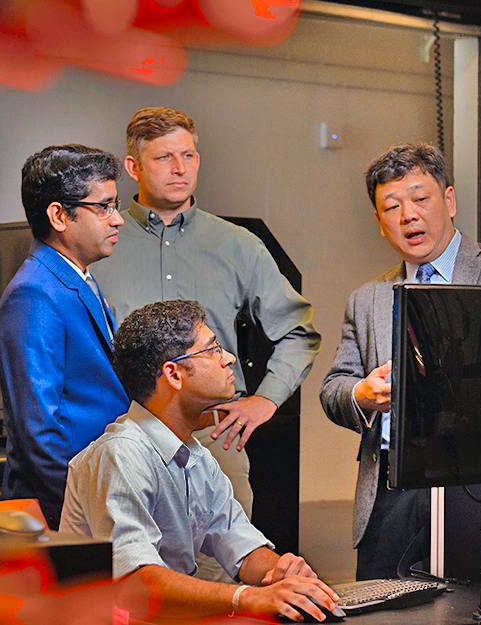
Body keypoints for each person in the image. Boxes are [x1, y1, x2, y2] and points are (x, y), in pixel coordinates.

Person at [90, 107, 320, 557]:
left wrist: (266, 399)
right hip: (122, 442)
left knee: (224, 583)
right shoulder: (103, 241)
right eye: (163, 158)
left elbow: (299, 331)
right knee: (129, 587)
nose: (180, 169)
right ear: (133, 167)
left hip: (214, 444)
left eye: (189, 156)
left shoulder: (238, 244)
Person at [320, 143, 481, 579]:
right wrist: (361, 394)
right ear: (380, 223)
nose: (408, 216)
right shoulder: (367, 300)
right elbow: (334, 388)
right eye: (392, 207)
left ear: (450, 200)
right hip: (391, 496)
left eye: (421, 199)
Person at [61, 300, 341, 623]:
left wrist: (281, 572)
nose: (229, 358)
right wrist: (246, 597)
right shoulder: (121, 454)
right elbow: (138, 585)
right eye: (213, 349)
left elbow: (240, 545)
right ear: (173, 374)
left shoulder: (195, 457)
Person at [0, 144, 132, 529]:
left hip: (95, 493)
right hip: (62, 508)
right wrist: (81, 512)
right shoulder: (34, 294)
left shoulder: (75, 278)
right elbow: (39, 430)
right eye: (103, 207)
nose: (117, 219)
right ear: (58, 215)